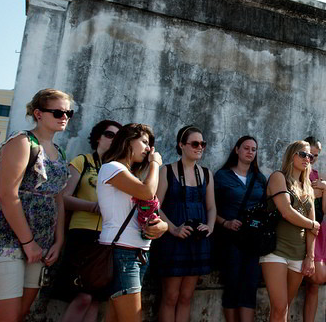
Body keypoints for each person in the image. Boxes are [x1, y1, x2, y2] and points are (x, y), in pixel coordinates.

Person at [0, 88, 73, 322]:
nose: (64, 117)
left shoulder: (60, 153)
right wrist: (28, 242)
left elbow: (57, 199)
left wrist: (58, 240)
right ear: (38, 113)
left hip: (41, 243)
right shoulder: (22, 142)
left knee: (20, 313)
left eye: (68, 112)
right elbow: (7, 195)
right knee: (5, 314)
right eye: (58, 112)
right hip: (7, 238)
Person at [97, 123, 168, 322]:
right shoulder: (111, 168)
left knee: (114, 318)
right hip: (122, 252)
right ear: (128, 140)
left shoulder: (130, 175)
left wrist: (163, 226)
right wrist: (155, 164)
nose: (148, 149)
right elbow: (147, 192)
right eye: (144, 142)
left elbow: (148, 213)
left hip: (138, 252)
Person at [58, 119, 121, 322]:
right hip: (82, 234)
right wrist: (94, 207)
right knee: (83, 297)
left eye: (118, 137)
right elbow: (63, 198)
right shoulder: (82, 161)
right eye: (109, 135)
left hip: (108, 237)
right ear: (98, 138)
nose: (114, 140)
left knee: (95, 299)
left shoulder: (120, 169)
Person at [153, 125, 216, 322]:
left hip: (197, 240)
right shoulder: (167, 171)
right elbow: (155, 205)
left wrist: (210, 226)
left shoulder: (206, 173)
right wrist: (173, 229)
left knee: (187, 296)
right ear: (181, 145)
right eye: (195, 143)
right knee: (170, 296)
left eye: (202, 144)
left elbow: (212, 207)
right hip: (173, 239)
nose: (200, 147)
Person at [260, 141, 320, 322]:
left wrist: (310, 257)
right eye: (303, 154)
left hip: (298, 254)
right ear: (291, 155)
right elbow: (286, 212)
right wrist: (311, 225)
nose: (307, 159)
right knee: (279, 307)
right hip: (275, 250)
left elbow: (312, 226)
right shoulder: (278, 177)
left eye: (310, 156)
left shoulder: (307, 186)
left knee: (284, 307)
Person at [214, 136, 268, 322]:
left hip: (252, 240)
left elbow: (266, 208)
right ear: (236, 150)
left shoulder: (260, 178)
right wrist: (225, 222)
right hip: (230, 239)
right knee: (232, 284)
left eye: (254, 149)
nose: (250, 152)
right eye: (246, 148)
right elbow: (210, 208)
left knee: (250, 286)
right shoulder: (222, 176)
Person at [302, 137, 326, 322]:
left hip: (318, 232)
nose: (312, 159)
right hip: (301, 232)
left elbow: (325, 211)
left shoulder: (318, 176)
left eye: (316, 156)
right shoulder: (294, 174)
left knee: (316, 283)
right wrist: (314, 193)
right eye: (309, 155)